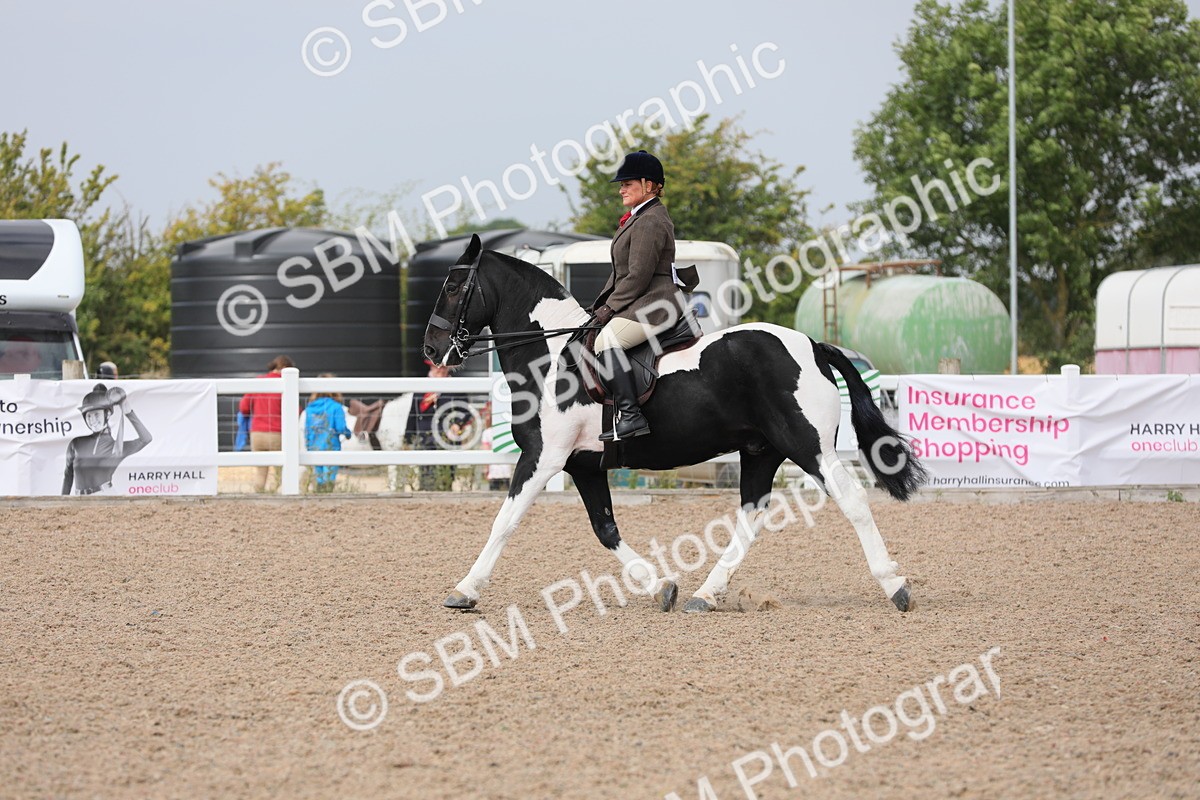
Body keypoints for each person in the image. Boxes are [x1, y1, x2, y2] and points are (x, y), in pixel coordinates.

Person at [589, 150, 699, 441]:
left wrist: (609, 308)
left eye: (627, 183)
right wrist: (598, 306)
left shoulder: (650, 220)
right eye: (620, 184)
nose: (621, 188)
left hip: (656, 304)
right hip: (640, 302)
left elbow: (638, 275)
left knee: (607, 340)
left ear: (649, 185)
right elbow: (619, 274)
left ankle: (630, 415)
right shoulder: (637, 218)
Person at [62, 384, 153, 495]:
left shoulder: (117, 447)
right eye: (88, 416)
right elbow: (68, 475)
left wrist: (127, 409)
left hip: (105, 497)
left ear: (108, 414)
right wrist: (62, 501)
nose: (92, 420)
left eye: (96, 414)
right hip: (79, 499)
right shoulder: (75, 443)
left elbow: (146, 439)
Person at [238, 355, 294, 492]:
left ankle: (258, 497)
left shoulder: (259, 382)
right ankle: (280, 497)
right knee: (281, 472)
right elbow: (293, 410)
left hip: (257, 433)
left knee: (260, 472)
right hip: (277, 433)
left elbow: (244, 407)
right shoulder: (286, 384)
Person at [304, 375, 352, 492]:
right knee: (329, 475)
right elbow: (340, 427)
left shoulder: (310, 408)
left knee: (319, 476)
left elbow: (307, 430)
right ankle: (328, 497)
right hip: (331, 446)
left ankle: (319, 496)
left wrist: (308, 444)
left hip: (314, 446)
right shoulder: (336, 407)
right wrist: (348, 433)